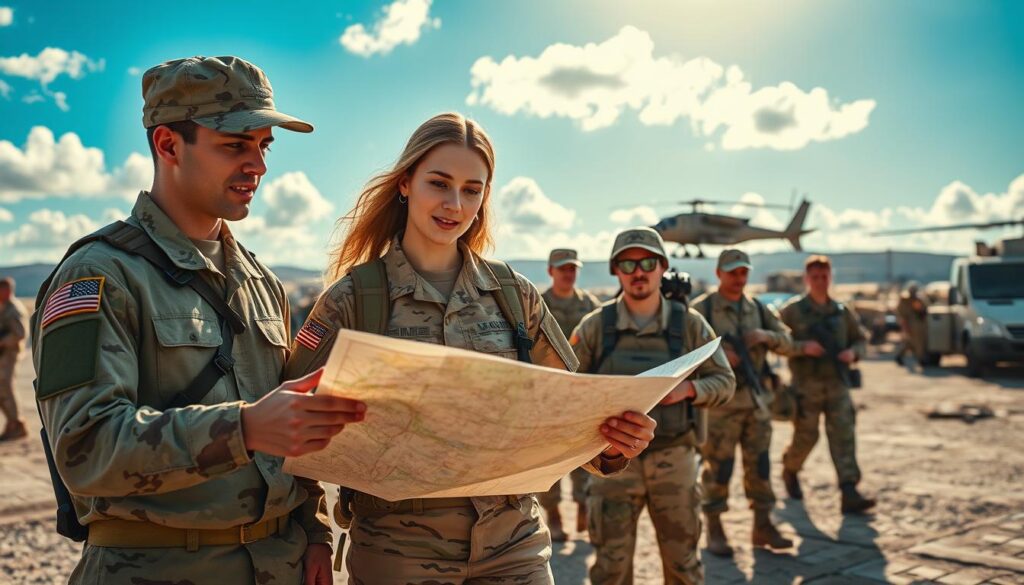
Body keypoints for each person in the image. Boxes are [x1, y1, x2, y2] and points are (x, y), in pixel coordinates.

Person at [283, 112, 658, 584]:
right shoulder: (353, 299)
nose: (454, 204)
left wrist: (615, 444)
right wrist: (313, 533)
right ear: (405, 183)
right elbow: (290, 428)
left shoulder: (514, 295)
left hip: (515, 546)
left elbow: (569, 412)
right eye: (439, 183)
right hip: (399, 552)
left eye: (472, 190)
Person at [32, 56, 363, 585]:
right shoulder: (99, 275)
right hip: (157, 568)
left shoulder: (262, 282)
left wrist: (316, 533)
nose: (258, 165)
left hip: (280, 564)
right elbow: (85, 450)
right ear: (168, 145)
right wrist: (245, 428)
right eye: (235, 145)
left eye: (264, 146)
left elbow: (294, 435)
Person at [571, 227, 736, 585]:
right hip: (612, 467)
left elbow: (725, 382)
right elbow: (569, 391)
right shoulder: (595, 326)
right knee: (610, 569)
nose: (638, 272)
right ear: (616, 271)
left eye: (647, 263)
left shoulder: (690, 324)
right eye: (628, 265)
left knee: (684, 566)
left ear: (662, 267)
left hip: (674, 462)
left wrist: (689, 389)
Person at [692, 250, 807, 556]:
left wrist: (764, 336)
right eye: (732, 272)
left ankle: (762, 525)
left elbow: (788, 343)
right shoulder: (701, 309)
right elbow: (682, 352)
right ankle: (714, 528)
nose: (739, 278)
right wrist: (716, 356)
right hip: (720, 406)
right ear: (719, 273)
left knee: (760, 466)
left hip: (756, 403)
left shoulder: (757, 308)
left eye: (743, 272)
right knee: (718, 469)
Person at [779, 255, 876, 514]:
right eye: (815, 277)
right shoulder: (793, 311)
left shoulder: (841, 311)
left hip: (837, 384)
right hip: (805, 387)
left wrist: (853, 353)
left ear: (830, 277)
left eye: (824, 276)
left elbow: (861, 340)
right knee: (806, 437)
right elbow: (777, 343)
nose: (820, 282)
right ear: (806, 279)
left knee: (844, 436)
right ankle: (790, 469)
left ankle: (849, 490)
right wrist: (802, 347)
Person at [537, 248, 601, 541]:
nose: (568, 274)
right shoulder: (538, 304)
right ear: (551, 271)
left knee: (583, 453)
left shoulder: (590, 305)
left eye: (572, 268)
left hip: (582, 394)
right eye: (563, 268)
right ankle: (553, 515)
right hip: (547, 396)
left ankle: (583, 507)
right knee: (549, 458)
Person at [0, 277, 28, 441]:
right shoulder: (4, 307)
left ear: (7, 290)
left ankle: (17, 424)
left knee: (7, 387)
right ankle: (13, 423)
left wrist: (2, 341)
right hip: (4, 354)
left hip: (10, 354)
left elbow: (20, 333)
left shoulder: (14, 309)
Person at [895, 281, 928, 366]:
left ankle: (900, 356)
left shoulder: (915, 300)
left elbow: (923, 311)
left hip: (915, 325)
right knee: (916, 342)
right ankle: (920, 359)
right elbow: (902, 313)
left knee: (910, 342)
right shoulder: (906, 300)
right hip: (912, 325)